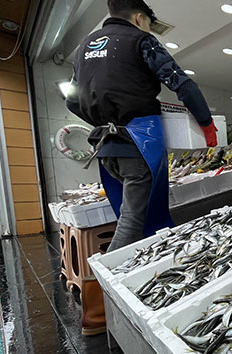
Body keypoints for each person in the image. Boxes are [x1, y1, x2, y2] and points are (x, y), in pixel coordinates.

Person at [66, 0, 217, 336]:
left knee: (130, 218)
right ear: (138, 17)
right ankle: (97, 305)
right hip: (139, 143)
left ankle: (142, 289)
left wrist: (103, 121)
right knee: (137, 221)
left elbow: (71, 101)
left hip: (106, 149)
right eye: (149, 22)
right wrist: (206, 124)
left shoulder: (83, 49)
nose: (149, 28)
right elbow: (181, 83)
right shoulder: (139, 40)